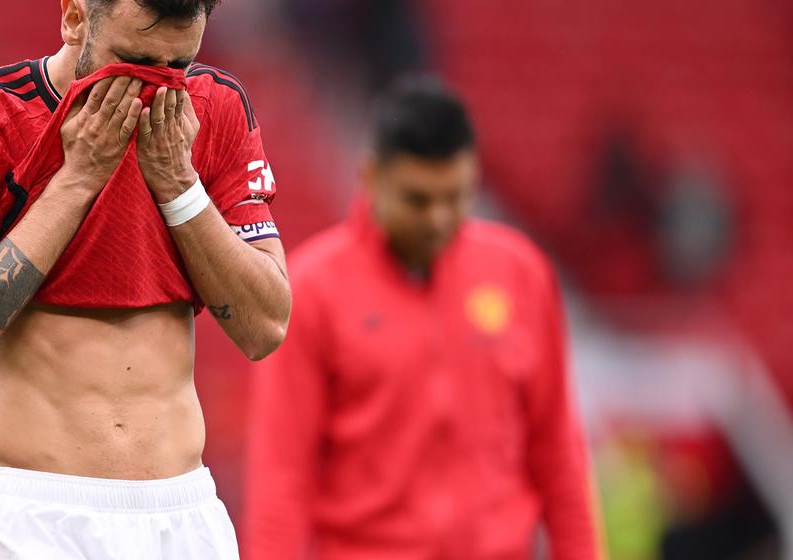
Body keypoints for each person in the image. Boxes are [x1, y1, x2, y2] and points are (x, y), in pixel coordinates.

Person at [0, 0, 291, 559]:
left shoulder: (215, 108)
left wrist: (177, 184)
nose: (154, 89)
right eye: (134, 62)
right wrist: (78, 177)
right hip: (40, 517)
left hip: (184, 515)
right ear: (74, 19)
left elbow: (265, 327)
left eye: (178, 64)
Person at [244, 84, 600, 559]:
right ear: (371, 176)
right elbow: (282, 479)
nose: (438, 218)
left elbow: (559, 452)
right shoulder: (312, 291)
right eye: (418, 199)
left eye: (456, 197)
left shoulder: (522, 275)